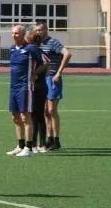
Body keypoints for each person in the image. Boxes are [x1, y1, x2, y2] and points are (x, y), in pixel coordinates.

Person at [34, 22, 72, 150]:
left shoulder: (53, 42)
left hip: (52, 78)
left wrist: (59, 73)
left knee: (52, 110)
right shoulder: (38, 44)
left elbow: (67, 54)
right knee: (45, 111)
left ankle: (56, 140)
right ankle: (50, 139)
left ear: (46, 30)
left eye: (40, 30)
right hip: (43, 79)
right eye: (36, 30)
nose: (38, 32)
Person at [6, 24, 43, 156]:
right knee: (15, 117)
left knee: (25, 116)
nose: (13, 35)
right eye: (12, 33)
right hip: (13, 87)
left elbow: (45, 62)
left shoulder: (31, 48)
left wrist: (35, 74)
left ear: (22, 34)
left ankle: (29, 148)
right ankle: (20, 145)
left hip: (25, 87)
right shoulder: (12, 49)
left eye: (16, 33)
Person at [26, 26, 49, 152]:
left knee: (34, 115)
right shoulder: (38, 50)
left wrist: (34, 73)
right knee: (38, 116)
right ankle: (41, 144)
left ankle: (35, 144)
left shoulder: (34, 50)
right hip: (41, 86)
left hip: (37, 87)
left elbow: (47, 63)